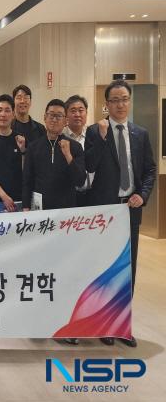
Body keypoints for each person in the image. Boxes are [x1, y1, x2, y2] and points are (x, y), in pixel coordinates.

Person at [85, 80, 156, 348]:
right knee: (107, 267)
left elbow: (149, 170)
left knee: (128, 268)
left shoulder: (140, 134)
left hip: (130, 209)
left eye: (124, 99)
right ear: (107, 104)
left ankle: (122, 326)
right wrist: (103, 138)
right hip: (106, 211)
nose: (120, 104)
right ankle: (105, 324)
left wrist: (142, 195)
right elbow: (89, 165)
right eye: (114, 100)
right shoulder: (95, 131)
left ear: (130, 100)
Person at [22, 99, 86, 211]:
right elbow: (27, 180)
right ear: (44, 118)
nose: (54, 119)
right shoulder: (33, 147)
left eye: (59, 116)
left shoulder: (75, 147)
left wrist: (68, 156)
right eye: (51, 115)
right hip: (40, 209)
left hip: (66, 209)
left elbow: (80, 181)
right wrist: (25, 206)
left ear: (66, 121)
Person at [62, 95, 93, 208]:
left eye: (81, 110)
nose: (77, 114)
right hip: (68, 195)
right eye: (73, 111)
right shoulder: (61, 138)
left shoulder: (93, 135)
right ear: (66, 115)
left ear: (86, 113)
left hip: (92, 194)